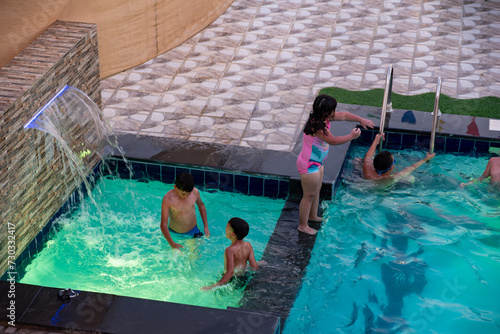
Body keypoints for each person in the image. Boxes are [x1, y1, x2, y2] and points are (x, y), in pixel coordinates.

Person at [296, 94, 375, 235]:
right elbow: (333, 141)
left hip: (317, 163)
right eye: (333, 109)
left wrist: (360, 119)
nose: (335, 112)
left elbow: (344, 115)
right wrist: (351, 136)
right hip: (309, 165)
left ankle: (313, 216)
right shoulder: (318, 126)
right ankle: (303, 225)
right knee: (308, 196)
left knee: (317, 191)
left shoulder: (322, 117)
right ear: (326, 112)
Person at [202, 217, 258, 290]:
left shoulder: (230, 250)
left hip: (232, 280)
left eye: (227, 227)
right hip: (244, 277)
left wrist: (213, 286)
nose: (225, 227)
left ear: (232, 234)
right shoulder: (248, 245)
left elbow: (230, 273)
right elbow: (254, 267)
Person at [160, 172, 209, 250]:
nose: (186, 197)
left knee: (194, 259)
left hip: (193, 232)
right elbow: (163, 224)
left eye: (188, 194)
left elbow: (201, 206)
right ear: (175, 187)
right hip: (174, 234)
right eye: (183, 194)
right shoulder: (168, 199)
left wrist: (206, 226)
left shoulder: (195, 192)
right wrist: (172, 243)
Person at [362, 133, 435, 184]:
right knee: (410, 178)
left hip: (365, 184)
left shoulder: (368, 169)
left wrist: (376, 140)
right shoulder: (389, 179)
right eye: (394, 161)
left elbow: (368, 156)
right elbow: (409, 169)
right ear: (391, 168)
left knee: (357, 160)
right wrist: (425, 159)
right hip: (380, 190)